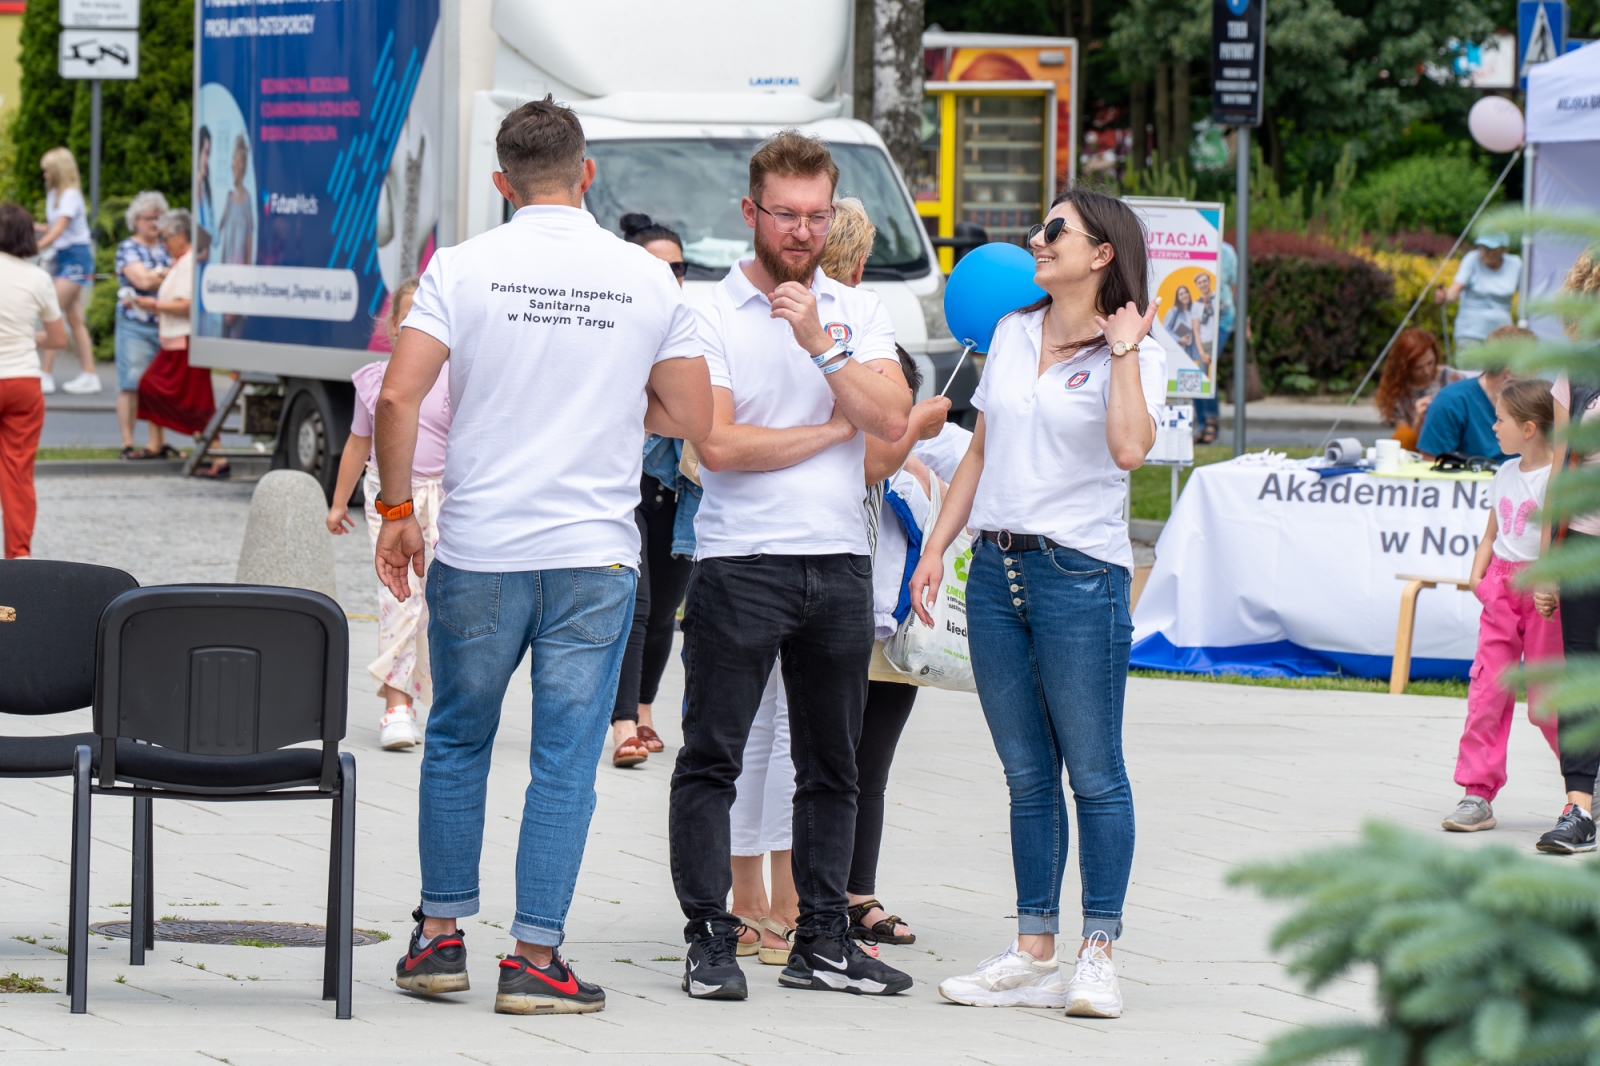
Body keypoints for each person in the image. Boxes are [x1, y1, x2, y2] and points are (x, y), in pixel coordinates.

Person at [373, 96, 712, 1016]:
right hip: (593, 554)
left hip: (481, 546)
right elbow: (692, 415)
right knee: (564, 760)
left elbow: (397, 399)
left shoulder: (462, 266)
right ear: (586, 172)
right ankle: (534, 960)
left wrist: (398, 510)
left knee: (457, 740)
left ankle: (438, 941)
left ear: (502, 183)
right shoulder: (648, 278)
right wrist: (617, 406)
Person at [667, 130, 914, 1002]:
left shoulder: (857, 312)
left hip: (840, 562)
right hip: (741, 563)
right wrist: (834, 429)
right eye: (785, 215)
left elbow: (893, 419)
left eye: (816, 215)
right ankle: (711, 937)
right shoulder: (706, 311)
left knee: (833, 766)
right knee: (714, 758)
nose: (802, 232)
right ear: (751, 212)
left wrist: (821, 345)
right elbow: (720, 445)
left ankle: (822, 942)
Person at [909, 188, 1165, 1019]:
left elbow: (1128, 450)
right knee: (1026, 773)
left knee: (1094, 773)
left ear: (1102, 253)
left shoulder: (1137, 350)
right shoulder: (1015, 333)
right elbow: (981, 452)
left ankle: (1098, 952)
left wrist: (1123, 352)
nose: (1037, 239)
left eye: (1056, 229)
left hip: (1080, 578)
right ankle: (1033, 951)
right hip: (995, 571)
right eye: (1040, 227)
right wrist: (937, 547)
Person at [821, 196, 953, 948]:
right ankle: (828, 896)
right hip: (841, 591)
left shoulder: (859, 336)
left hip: (880, 603)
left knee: (856, 758)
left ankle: (844, 893)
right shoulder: (853, 346)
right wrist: (915, 433)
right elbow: (872, 458)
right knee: (844, 758)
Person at [1440, 379, 1596, 853]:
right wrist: (1479, 578)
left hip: (1545, 596)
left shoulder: (1557, 476)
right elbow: (1491, 535)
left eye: (1500, 419)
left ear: (1529, 428)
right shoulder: (1504, 473)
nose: (1493, 427)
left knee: (1549, 702)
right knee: (1487, 692)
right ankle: (1477, 793)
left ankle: (1586, 786)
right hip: (1501, 595)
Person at [327, 277, 449, 752]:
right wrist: (339, 502)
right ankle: (397, 706)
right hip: (390, 496)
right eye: (409, 314)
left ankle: (438, 701)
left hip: (446, 496)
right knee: (399, 596)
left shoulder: (455, 378)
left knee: (439, 600)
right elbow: (358, 443)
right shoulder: (375, 380)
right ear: (394, 325)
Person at [609, 211, 695, 767]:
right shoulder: (613, 323)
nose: (672, 277)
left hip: (680, 489)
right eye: (660, 268)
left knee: (665, 611)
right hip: (625, 483)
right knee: (635, 607)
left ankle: (644, 708)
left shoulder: (696, 328)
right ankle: (623, 723)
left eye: (679, 268)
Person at [0, 203, 66, 559]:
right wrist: (28, 335)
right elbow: (58, 339)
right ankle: (19, 555)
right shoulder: (37, 278)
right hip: (22, 380)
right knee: (17, 473)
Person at [113, 191, 173, 459]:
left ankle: (159, 442)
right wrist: (166, 274)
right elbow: (142, 281)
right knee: (131, 382)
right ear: (136, 220)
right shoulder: (128, 247)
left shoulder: (166, 245)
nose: (154, 223)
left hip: (164, 323)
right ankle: (127, 442)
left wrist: (155, 275)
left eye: (159, 218)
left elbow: (182, 275)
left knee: (159, 385)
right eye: (149, 218)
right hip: (135, 324)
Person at [34, 148, 99, 396]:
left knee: (52, 312)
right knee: (74, 319)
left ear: (58, 171)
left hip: (76, 258)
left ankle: (46, 373)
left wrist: (32, 248)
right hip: (63, 256)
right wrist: (25, 224)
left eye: (47, 170)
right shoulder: (55, 195)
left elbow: (57, 231)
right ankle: (89, 374)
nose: (45, 175)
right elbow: (51, 226)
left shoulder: (70, 195)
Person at [1416, 349, 1518, 462]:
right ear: (1510, 372)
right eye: (1531, 367)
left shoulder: (1529, 402)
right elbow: (1431, 462)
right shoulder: (1450, 402)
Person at [1374, 328, 1465, 452]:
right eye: (1418, 368)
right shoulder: (1396, 390)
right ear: (1404, 367)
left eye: (1430, 363)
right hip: (1417, 450)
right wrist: (1418, 422)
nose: (1427, 371)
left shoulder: (1452, 379)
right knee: (1403, 435)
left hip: (1455, 445)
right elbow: (1405, 443)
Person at [1435, 233, 1521, 349]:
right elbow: (1456, 287)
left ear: (1504, 250)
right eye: (1482, 247)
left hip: (1502, 336)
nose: (1485, 252)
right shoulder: (1471, 259)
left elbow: (1526, 295)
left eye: (1491, 248)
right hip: (1470, 333)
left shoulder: (1516, 263)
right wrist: (1445, 297)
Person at [1194, 243, 1236, 444]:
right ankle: (1203, 424)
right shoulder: (1193, 244)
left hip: (1222, 321)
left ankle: (1210, 421)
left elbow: (1234, 288)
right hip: (1198, 321)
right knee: (1196, 366)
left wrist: (1244, 320)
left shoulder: (1227, 252)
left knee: (1205, 364)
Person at [218, 134, 254, 338]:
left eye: (235, 161)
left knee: (236, 332)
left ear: (242, 165)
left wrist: (247, 280)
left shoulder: (248, 200)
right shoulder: (229, 198)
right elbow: (220, 236)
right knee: (223, 331)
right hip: (226, 275)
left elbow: (249, 240)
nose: (232, 165)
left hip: (240, 276)